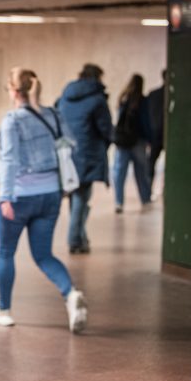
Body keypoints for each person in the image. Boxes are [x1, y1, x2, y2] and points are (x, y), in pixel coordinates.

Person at [0, 67, 87, 333]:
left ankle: (4, 310)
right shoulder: (53, 115)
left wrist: (5, 197)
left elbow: (9, 159)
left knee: (6, 252)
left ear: (15, 91)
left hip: (19, 196)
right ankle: (70, 293)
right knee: (43, 255)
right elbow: (70, 144)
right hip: (51, 195)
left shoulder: (12, 120)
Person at [56, 64, 113, 254]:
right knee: (81, 196)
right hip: (87, 153)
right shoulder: (97, 100)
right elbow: (106, 129)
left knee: (75, 196)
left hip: (66, 153)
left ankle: (81, 237)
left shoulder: (65, 96)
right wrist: (105, 145)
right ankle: (74, 239)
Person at [112, 74, 152, 212]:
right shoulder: (142, 100)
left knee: (119, 173)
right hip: (138, 141)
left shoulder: (123, 99)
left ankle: (119, 202)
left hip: (122, 142)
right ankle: (145, 198)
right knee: (141, 172)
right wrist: (149, 139)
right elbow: (146, 122)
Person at [146, 69, 167, 191]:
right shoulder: (154, 95)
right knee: (151, 163)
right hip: (158, 134)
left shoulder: (153, 95)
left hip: (154, 134)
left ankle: (150, 190)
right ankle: (153, 189)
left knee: (151, 163)